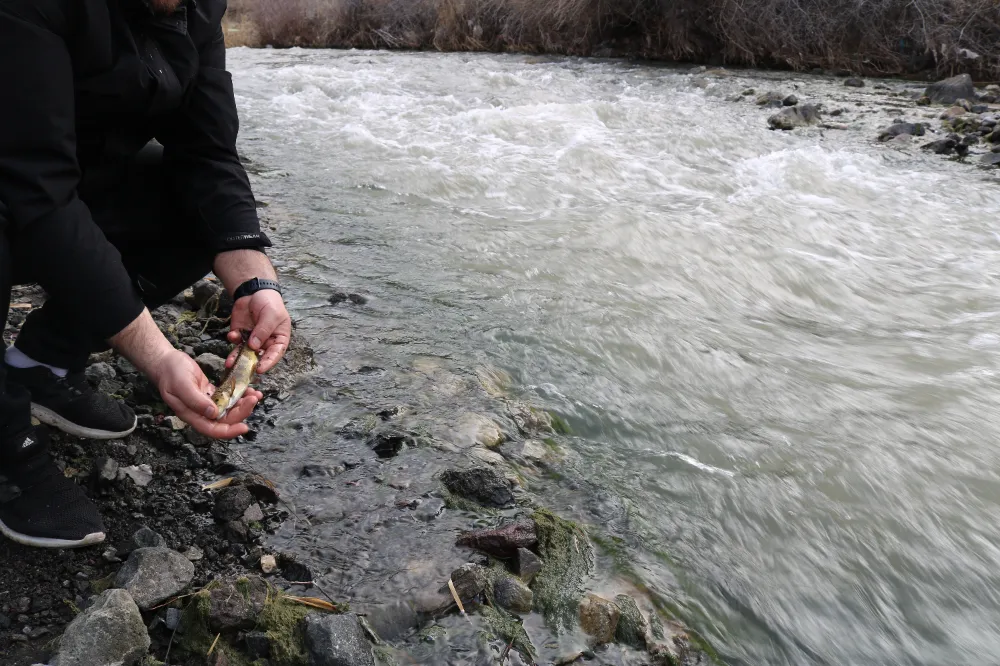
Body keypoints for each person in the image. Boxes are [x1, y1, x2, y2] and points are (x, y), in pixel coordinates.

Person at [0, 0, 292, 549]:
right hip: (15, 175)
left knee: (195, 210)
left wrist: (257, 282)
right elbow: (35, 191)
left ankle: (40, 363)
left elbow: (207, 154)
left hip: (67, 179)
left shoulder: (196, 9)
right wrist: (158, 357)